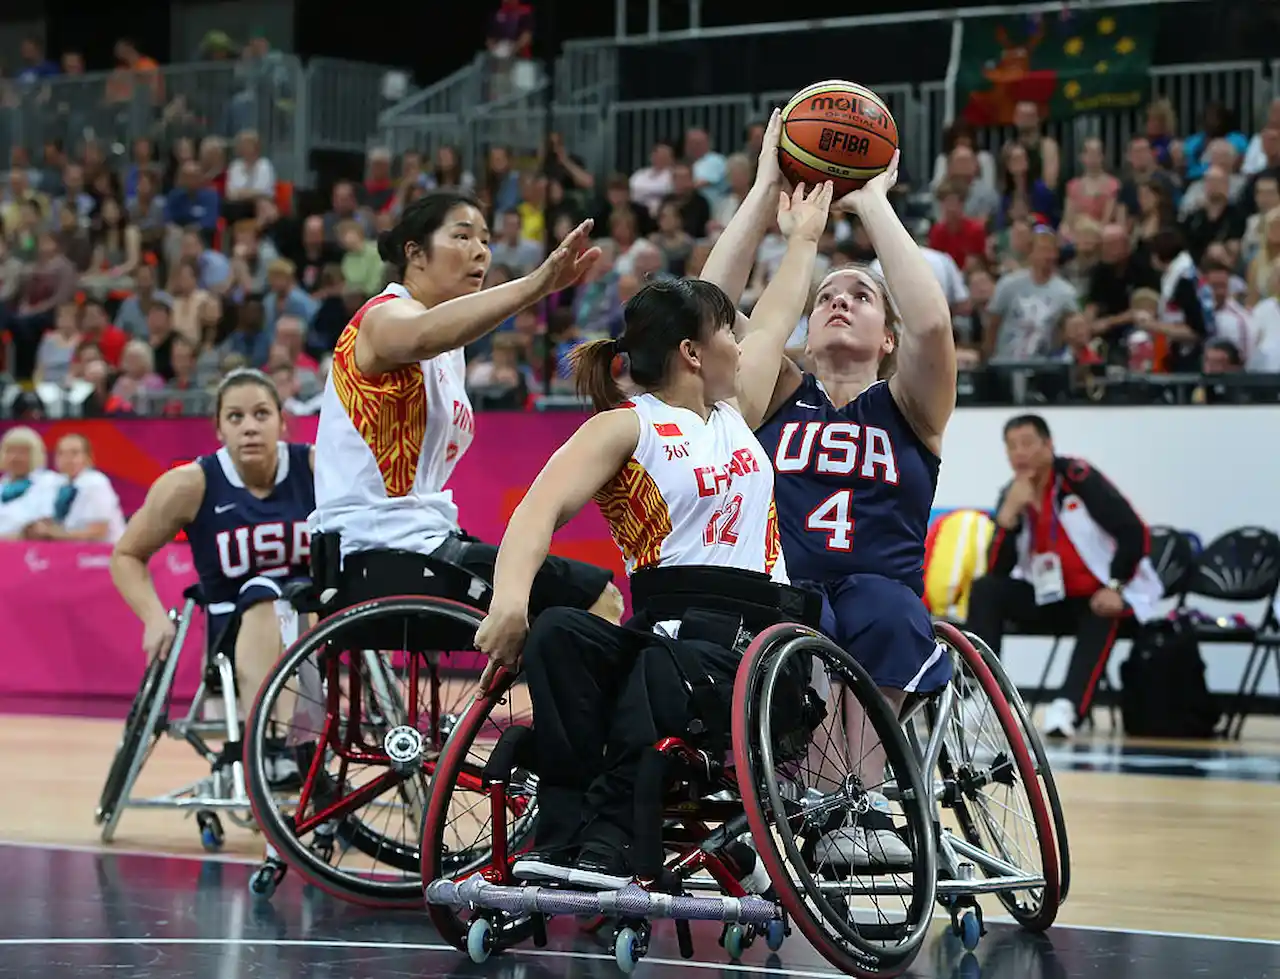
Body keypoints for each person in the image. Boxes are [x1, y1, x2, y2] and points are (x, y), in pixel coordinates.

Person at [472, 179, 836, 888]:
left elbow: (780, 307)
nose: (743, 338)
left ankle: (610, 834)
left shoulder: (739, 409)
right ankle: (564, 832)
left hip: (755, 643)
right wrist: (511, 600)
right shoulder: (624, 426)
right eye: (726, 329)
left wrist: (800, 234)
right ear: (693, 353)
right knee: (559, 634)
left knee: (652, 665)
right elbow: (535, 513)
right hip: (664, 635)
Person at [704, 110, 957, 869]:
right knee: (777, 617)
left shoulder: (911, 403)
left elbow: (936, 326)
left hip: (880, 589)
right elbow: (709, 308)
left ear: (888, 339)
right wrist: (762, 193)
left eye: (861, 296)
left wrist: (874, 199)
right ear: (802, 333)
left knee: (881, 608)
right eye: (825, 298)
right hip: (788, 588)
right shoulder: (780, 391)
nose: (839, 299)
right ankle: (789, 788)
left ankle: (856, 797)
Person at [308, 190, 623, 622]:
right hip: (377, 547)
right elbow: (419, 334)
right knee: (598, 598)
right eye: (462, 237)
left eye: (486, 240)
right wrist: (536, 285)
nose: (479, 251)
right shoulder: (382, 317)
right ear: (415, 253)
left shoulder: (452, 351)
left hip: (424, 539)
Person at [110, 369, 315, 780]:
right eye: (236, 417)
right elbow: (126, 554)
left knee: (293, 595)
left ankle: (296, 743)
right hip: (230, 628)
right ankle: (270, 741)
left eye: (261, 414)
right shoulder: (190, 484)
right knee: (265, 592)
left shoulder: (315, 468)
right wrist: (152, 616)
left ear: (282, 420)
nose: (250, 427)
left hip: (310, 627)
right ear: (219, 429)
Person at [966, 414, 1161, 739]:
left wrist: (1116, 585)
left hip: (1102, 594)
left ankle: (1068, 707)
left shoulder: (1077, 478)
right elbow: (998, 569)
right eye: (1012, 447)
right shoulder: (1014, 492)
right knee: (987, 590)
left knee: (1102, 611)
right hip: (1051, 596)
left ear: (1048, 445)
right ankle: (983, 695)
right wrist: (1007, 519)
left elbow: (1133, 531)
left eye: (1027, 443)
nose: (1020, 453)